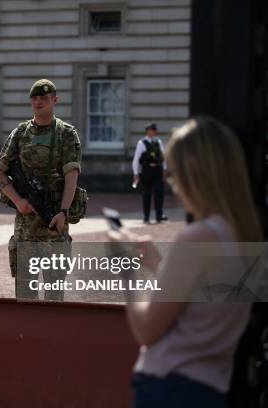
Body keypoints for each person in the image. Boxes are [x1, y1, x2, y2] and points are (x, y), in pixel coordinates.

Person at [110, 116, 262, 408]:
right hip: (211, 390)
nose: (172, 185)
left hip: (169, 387)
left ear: (192, 169)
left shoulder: (197, 238)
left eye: (173, 174)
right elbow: (208, 305)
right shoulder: (244, 235)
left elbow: (146, 331)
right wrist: (159, 265)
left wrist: (125, 268)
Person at [0, 79, 82, 301]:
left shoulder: (66, 134)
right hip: (26, 227)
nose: (39, 102)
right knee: (25, 292)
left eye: (44, 98)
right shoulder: (20, 133)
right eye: (35, 98)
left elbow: (72, 177)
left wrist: (64, 211)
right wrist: (18, 201)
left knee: (54, 293)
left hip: (54, 222)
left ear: (55, 100)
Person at [132, 123, 168, 224]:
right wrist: (136, 173)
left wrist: (165, 169)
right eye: (151, 130)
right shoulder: (141, 143)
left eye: (154, 130)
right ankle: (146, 216)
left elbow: (163, 157)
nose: (153, 132)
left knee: (159, 193)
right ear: (147, 131)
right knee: (146, 194)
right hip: (147, 170)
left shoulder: (158, 142)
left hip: (158, 170)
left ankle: (159, 215)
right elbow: (136, 159)